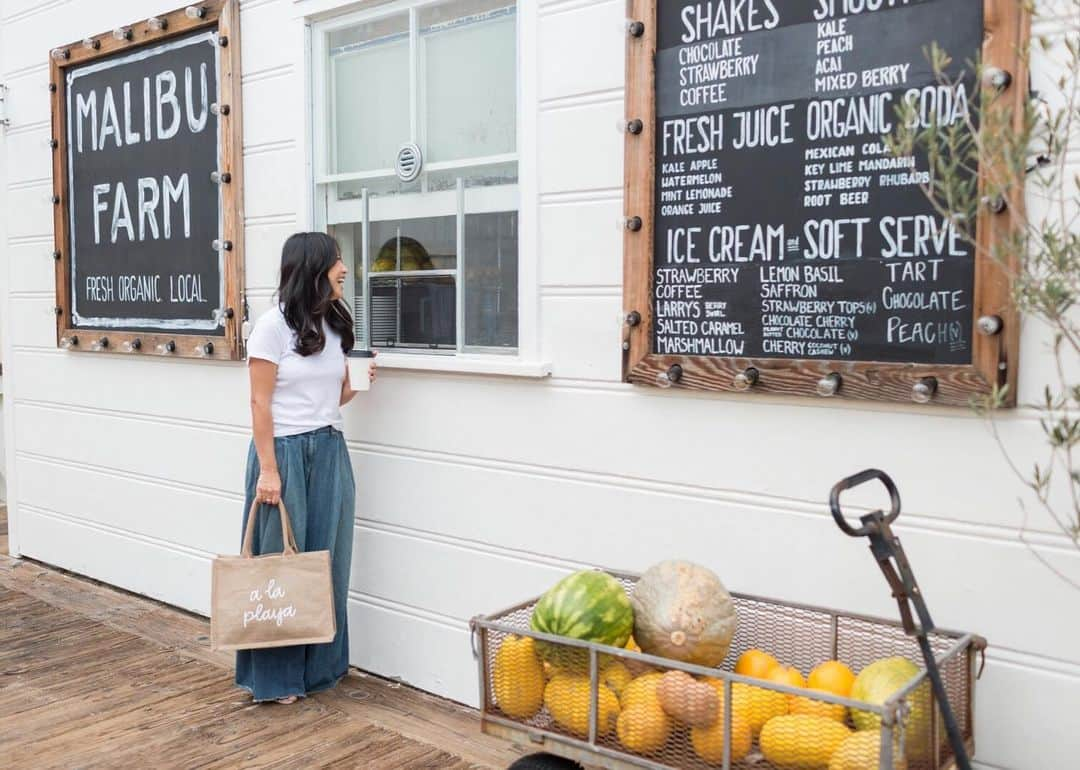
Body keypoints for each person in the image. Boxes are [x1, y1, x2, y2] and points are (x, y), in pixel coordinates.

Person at [236, 231, 374, 704]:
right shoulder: (272, 327)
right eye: (338, 261)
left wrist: (356, 385)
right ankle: (275, 681)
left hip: (330, 447)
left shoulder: (333, 323)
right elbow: (259, 402)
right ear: (314, 268)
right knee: (279, 564)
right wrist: (268, 471)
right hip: (285, 453)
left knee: (326, 561)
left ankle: (320, 671)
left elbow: (327, 400)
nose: (344, 269)